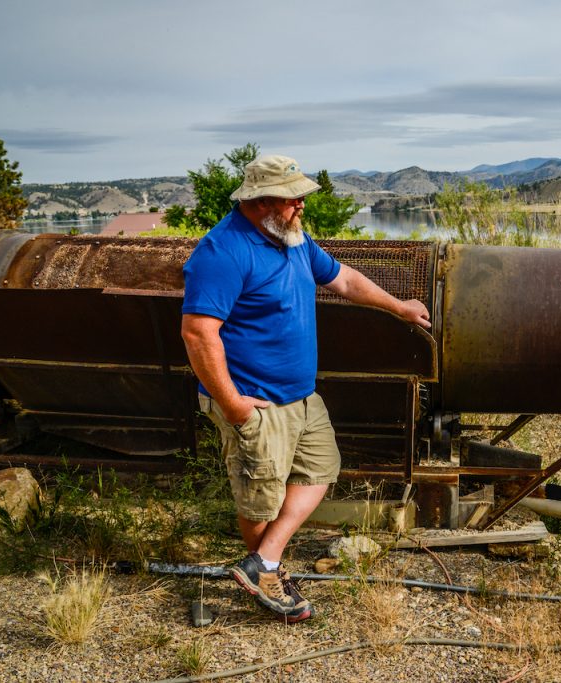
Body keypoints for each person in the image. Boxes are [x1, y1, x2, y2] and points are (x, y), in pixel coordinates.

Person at [181, 154, 430, 623]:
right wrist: (233, 405)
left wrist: (398, 307)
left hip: (300, 395)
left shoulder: (293, 239)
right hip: (254, 401)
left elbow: (345, 280)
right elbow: (198, 333)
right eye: (291, 197)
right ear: (258, 202)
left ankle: (264, 562)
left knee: (320, 469)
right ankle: (268, 578)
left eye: (301, 196)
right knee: (260, 496)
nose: (301, 204)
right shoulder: (223, 251)